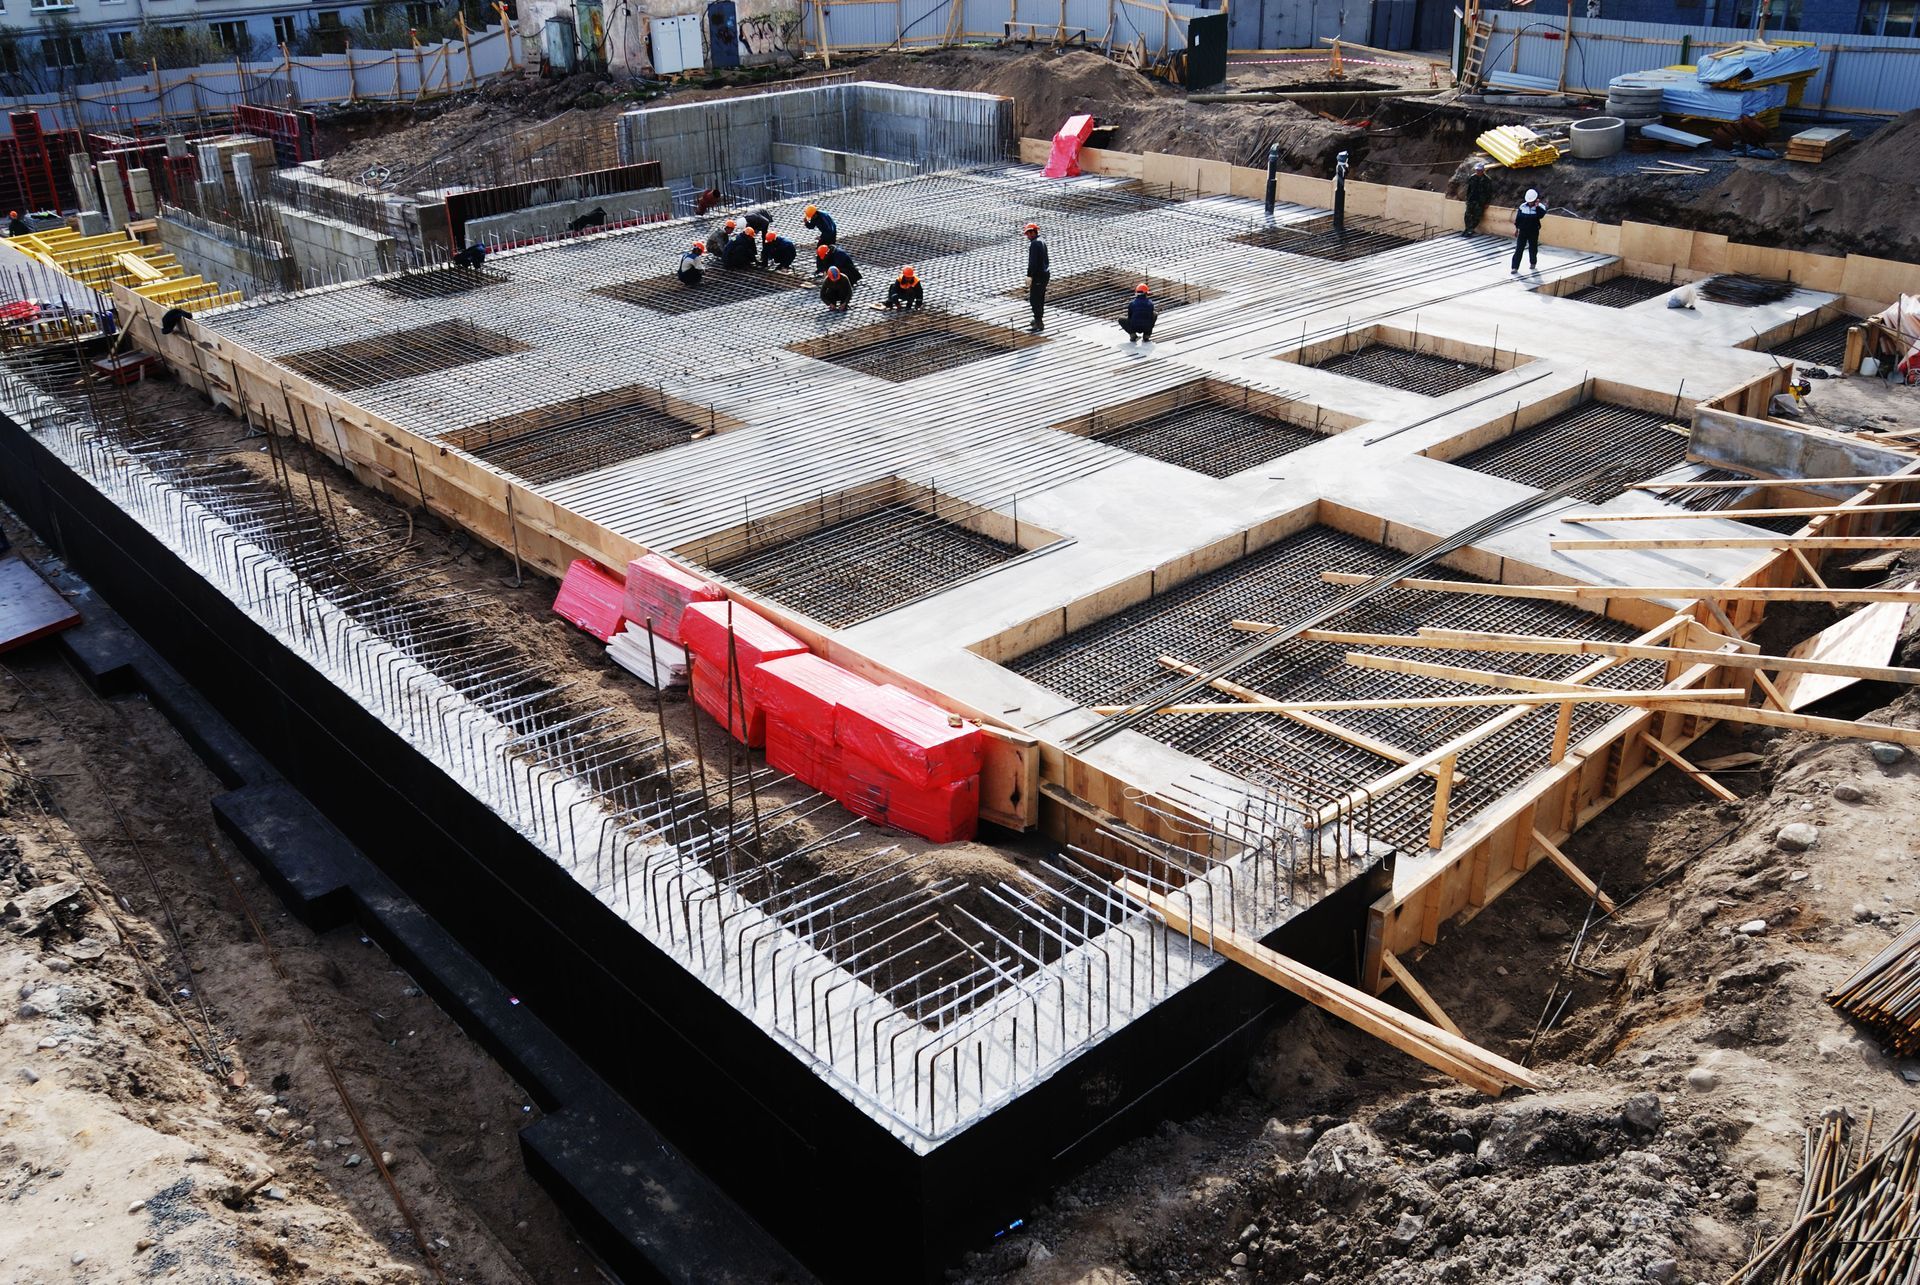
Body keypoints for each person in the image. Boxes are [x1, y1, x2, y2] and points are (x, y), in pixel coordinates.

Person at [1511, 189, 1547, 275]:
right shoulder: (1522, 207)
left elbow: (1541, 215)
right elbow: (1518, 219)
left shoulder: (1540, 207)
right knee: (1519, 249)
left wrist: (1537, 207)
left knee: (1533, 248)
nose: (1530, 203)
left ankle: (1533, 262)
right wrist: (1517, 229)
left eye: (1532, 201)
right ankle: (1514, 267)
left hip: (1533, 231)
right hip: (1523, 231)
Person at [1023, 222, 1049, 332]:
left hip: (1038, 276)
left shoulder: (1034, 244)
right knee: (1040, 298)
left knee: (1035, 300)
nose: (1028, 236)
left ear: (1033, 232)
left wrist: (1029, 276)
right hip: (1045, 274)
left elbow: (1033, 263)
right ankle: (1038, 320)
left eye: (1029, 233)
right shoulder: (1042, 241)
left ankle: (1038, 322)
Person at [1463, 162, 1492, 235]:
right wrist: (1467, 199)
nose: (1478, 172)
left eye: (1480, 170)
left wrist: (1487, 202)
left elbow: (1489, 192)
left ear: (1483, 170)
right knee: (1467, 215)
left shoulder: (1487, 180)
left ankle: (1470, 229)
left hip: (1480, 201)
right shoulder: (1472, 178)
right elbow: (1469, 189)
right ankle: (1468, 229)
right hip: (1471, 199)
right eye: (1477, 170)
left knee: (1477, 216)